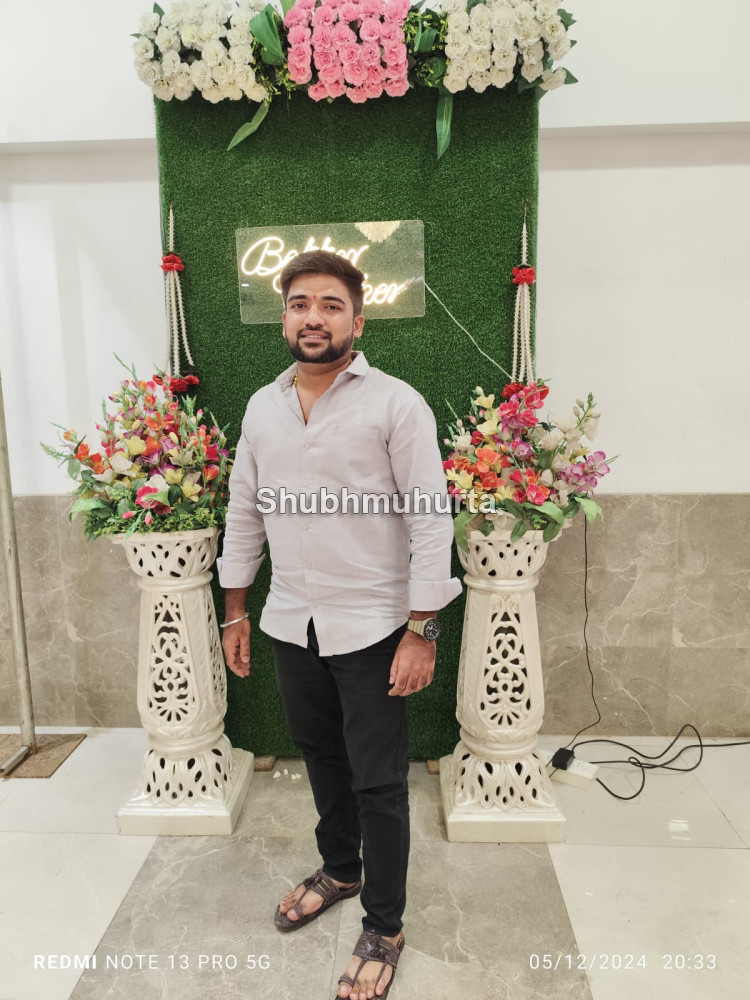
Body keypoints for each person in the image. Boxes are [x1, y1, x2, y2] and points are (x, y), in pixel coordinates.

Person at [218, 249, 461, 1000]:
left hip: (375, 626)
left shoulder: (396, 404)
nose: (313, 317)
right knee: (321, 756)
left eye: (330, 305)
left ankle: (384, 924)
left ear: (358, 320)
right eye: (300, 304)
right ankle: (340, 869)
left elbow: (430, 518)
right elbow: (244, 510)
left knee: (380, 781)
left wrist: (422, 629)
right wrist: (236, 609)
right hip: (292, 620)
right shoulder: (262, 407)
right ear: (283, 318)